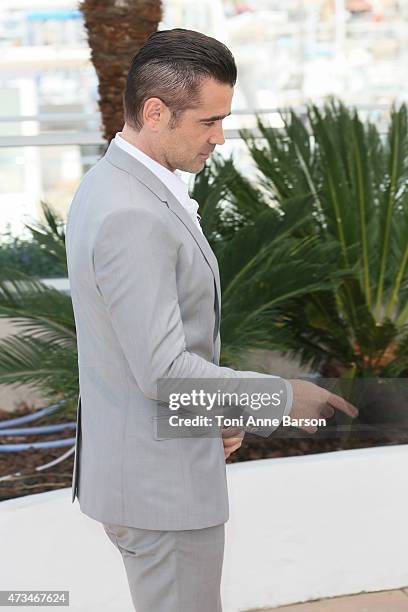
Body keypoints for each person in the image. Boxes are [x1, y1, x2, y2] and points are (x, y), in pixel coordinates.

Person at [65, 28, 358, 612]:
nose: (220, 138)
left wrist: (212, 414)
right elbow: (165, 372)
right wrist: (283, 398)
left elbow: (129, 353)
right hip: (160, 492)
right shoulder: (133, 214)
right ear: (155, 111)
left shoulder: (108, 185)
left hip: (147, 471)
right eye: (208, 122)